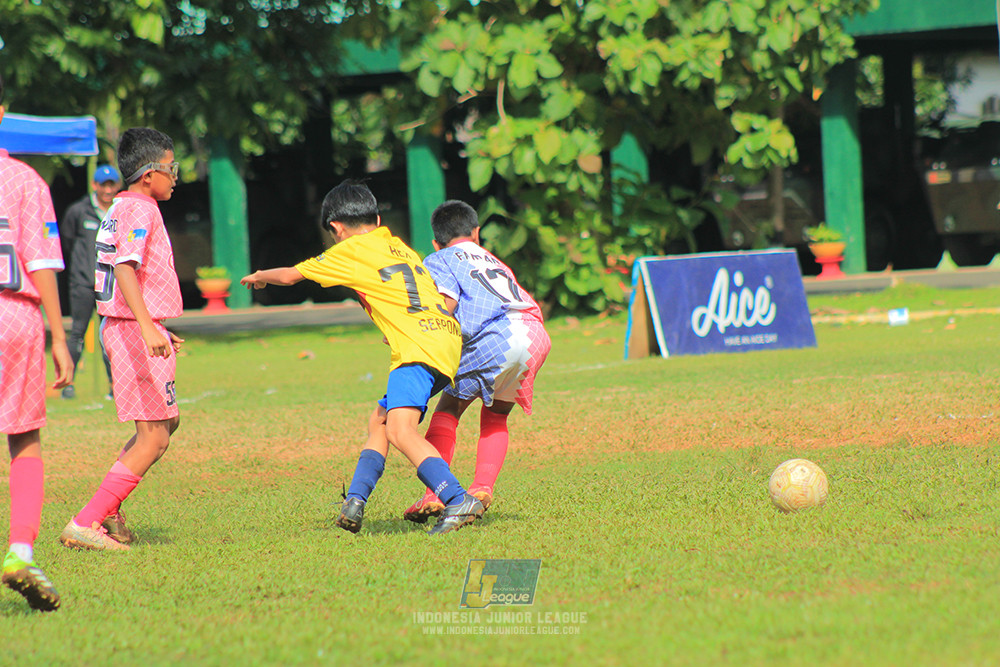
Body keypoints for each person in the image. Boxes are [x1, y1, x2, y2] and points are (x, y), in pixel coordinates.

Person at [240, 179, 484, 536]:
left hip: (417, 349)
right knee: (381, 422)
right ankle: (355, 502)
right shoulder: (399, 247)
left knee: (400, 431)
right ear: (378, 218)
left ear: (337, 228)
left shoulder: (350, 250)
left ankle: (458, 499)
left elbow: (292, 276)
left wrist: (261, 276)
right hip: (444, 340)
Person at [59, 127, 184, 551]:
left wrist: (158, 324)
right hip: (132, 329)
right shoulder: (140, 209)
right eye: (171, 168)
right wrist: (147, 325)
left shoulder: (124, 206)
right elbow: (126, 269)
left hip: (136, 326)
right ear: (149, 174)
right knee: (154, 436)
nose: (175, 176)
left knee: (167, 423)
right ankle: (88, 520)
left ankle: (107, 510)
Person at [402, 200, 551, 523]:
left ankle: (435, 495)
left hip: (494, 338)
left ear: (435, 241)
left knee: (447, 410)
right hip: (535, 334)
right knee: (496, 416)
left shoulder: (438, 258)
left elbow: (447, 303)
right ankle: (482, 488)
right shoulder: (493, 259)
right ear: (477, 233)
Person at [0, 72, 74, 611]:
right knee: (23, 441)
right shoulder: (25, 181)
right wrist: (59, 336)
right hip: (14, 318)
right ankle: (20, 551)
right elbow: (43, 261)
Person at [59, 164, 120, 400]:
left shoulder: (119, 211)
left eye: (111, 184)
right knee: (78, 333)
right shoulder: (78, 211)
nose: (107, 189)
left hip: (110, 284)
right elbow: (67, 241)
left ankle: (114, 386)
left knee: (109, 335)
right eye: (102, 184)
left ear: (117, 186)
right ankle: (68, 384)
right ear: (94, 185)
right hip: (83, 283)